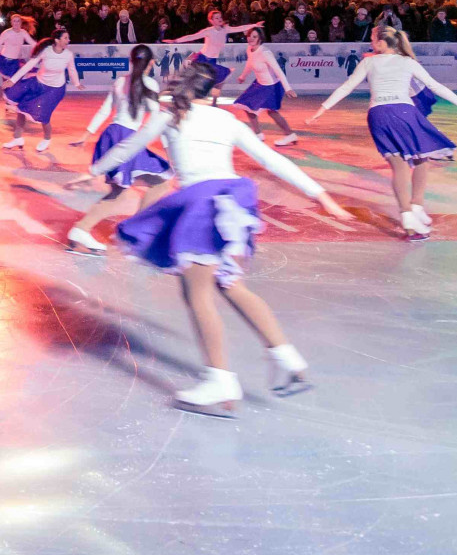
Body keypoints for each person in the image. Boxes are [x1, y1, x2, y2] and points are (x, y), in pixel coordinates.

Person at [90, 63, 352, 415]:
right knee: (230, 285)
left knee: (196, 294)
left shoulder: (169, 117)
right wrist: (320, 195)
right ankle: (287, 357)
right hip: (231, 204)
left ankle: (220, 381)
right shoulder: (228, 121)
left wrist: (92, 172)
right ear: (213, 93)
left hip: (199, 204)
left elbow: (126, 149)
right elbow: (273, 161)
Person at [308, 26, 457, 240]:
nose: (371, 44)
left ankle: (409, 214)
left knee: (400, 166)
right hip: (404, 113)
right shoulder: (407, 62)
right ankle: (415, 208)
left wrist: (322, 109)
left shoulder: (368, 62)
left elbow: (346, 87)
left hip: (378, 116)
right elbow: (436, 86)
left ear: (383, 43)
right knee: (421, 159)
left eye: (373, 40)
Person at [65, 45, 173, 253]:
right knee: (149, 185)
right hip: (127, 137)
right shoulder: (149, 83)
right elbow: (158, 119)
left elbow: (105, 110)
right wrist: (169, 150)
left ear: (131, 61)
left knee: (145, 186)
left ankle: (129, 230)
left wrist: (87, 134)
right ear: (151, 63)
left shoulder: (120, 81)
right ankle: (84, 229)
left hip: (111, 134)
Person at [1, 27, 82, 154]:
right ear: (57, 40)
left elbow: (72, 70)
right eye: (65, 38)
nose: (68, 40)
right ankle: (17, 138)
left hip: (54, 90)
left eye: (68, 38)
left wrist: (77, 83)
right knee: (21, 109)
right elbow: (29, 65)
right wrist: (13, 80)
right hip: (38, 84)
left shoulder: (68, 55)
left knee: (43, 115)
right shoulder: (46, 51)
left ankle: (46, 139)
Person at [229, 29, 298, 145]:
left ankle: (290, 135)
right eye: (250, 36)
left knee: (272, 112)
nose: (251, 39)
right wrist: (243, 76)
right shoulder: (249, 49)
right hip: (259, 84)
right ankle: (258, 134)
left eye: (254, 37)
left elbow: (278, 71)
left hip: (272, 86)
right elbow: (250, 63)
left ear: (260, 38)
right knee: (247, 105)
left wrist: (288, 88)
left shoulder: (265, 53)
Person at [170, 10, 261, 95]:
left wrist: (254, 25)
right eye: (216, 18)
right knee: (195, 80)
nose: (220, 19)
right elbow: (191, 37)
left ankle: (214, 100)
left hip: (212, 61)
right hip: (202, 59)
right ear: (211, 21)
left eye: (220, 17)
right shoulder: (208, 31)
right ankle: (178, 91)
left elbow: (240, 28)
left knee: (220, 78)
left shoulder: (225, 29)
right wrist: (175, 41)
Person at [0, 14, 37, 120]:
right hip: (4, 62)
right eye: (14, 21)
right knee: (8, 84)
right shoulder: (7, 33)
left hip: (14, 63)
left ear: (21, 23)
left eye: (18, 21)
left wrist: (43, 49)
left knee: (10, 84)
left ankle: (6, 104)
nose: (16, 23)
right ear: (11, 22)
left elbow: (34, 44)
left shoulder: (23, 33)